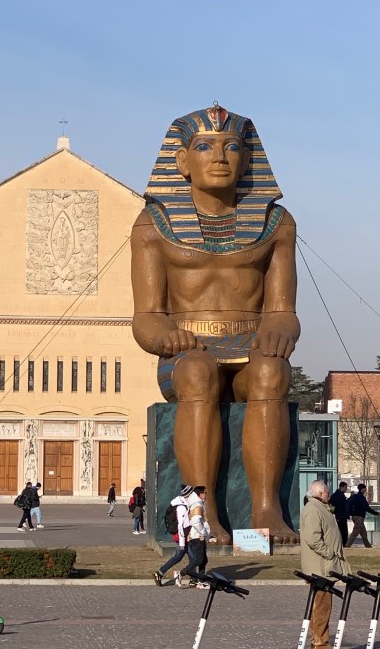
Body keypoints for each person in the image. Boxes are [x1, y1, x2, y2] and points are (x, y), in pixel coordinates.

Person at [131, 104, 300, 545]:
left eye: (232, 147)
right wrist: (165, 337)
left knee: (271, 371)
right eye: (205, 146)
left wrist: (281, 331)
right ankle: (201, 510)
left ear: (247, 160)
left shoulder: (277, 224)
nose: (220, 157)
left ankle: (266, 508)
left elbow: (282, 310)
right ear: (182, 161)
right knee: (197, 372)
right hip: (187, 349)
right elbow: (147, 316)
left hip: (250, 345)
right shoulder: (153, 225)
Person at [300, 480, 349, 648]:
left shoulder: (321, 508)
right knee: (321, 607)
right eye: (327, 492)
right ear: (320, 493)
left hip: (324, 566)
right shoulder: (313, 509)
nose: (329, 494)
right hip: (320, 568)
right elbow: (313, 538)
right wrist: (330, 553)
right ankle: (320, 643)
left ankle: (318, 640)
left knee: (321, 606)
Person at [152, 484, 193, 587]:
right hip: (181, 536)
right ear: (188, 494)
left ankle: (160, 573)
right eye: (192, 493)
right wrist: (182, 543)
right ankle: (193, 578)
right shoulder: (181, 507)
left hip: (182, 536)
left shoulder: (183, 504)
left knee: (181, 557)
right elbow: (180, 525)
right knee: (194, 558)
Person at [182, 486, 211, 588]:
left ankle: (201, 580)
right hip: (198, 536)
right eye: (205, 493)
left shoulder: (196, 503)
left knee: (203, 560)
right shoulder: (197, 504)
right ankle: (182, 573)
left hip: (197, 536)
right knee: (198, 560)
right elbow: (195, 521)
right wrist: (203, 532)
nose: (206, 495)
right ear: (200, 494)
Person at [344, 483, 380, 548]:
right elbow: (366, 508)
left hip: (354, 516)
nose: (365, 490)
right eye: (365, 489)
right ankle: (347, 545)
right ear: (362, 489)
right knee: (355, 532)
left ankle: (368, 546)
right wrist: (376, 513)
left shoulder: (354, 497)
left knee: (363, 533)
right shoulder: (361, 498)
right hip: (359, 517)